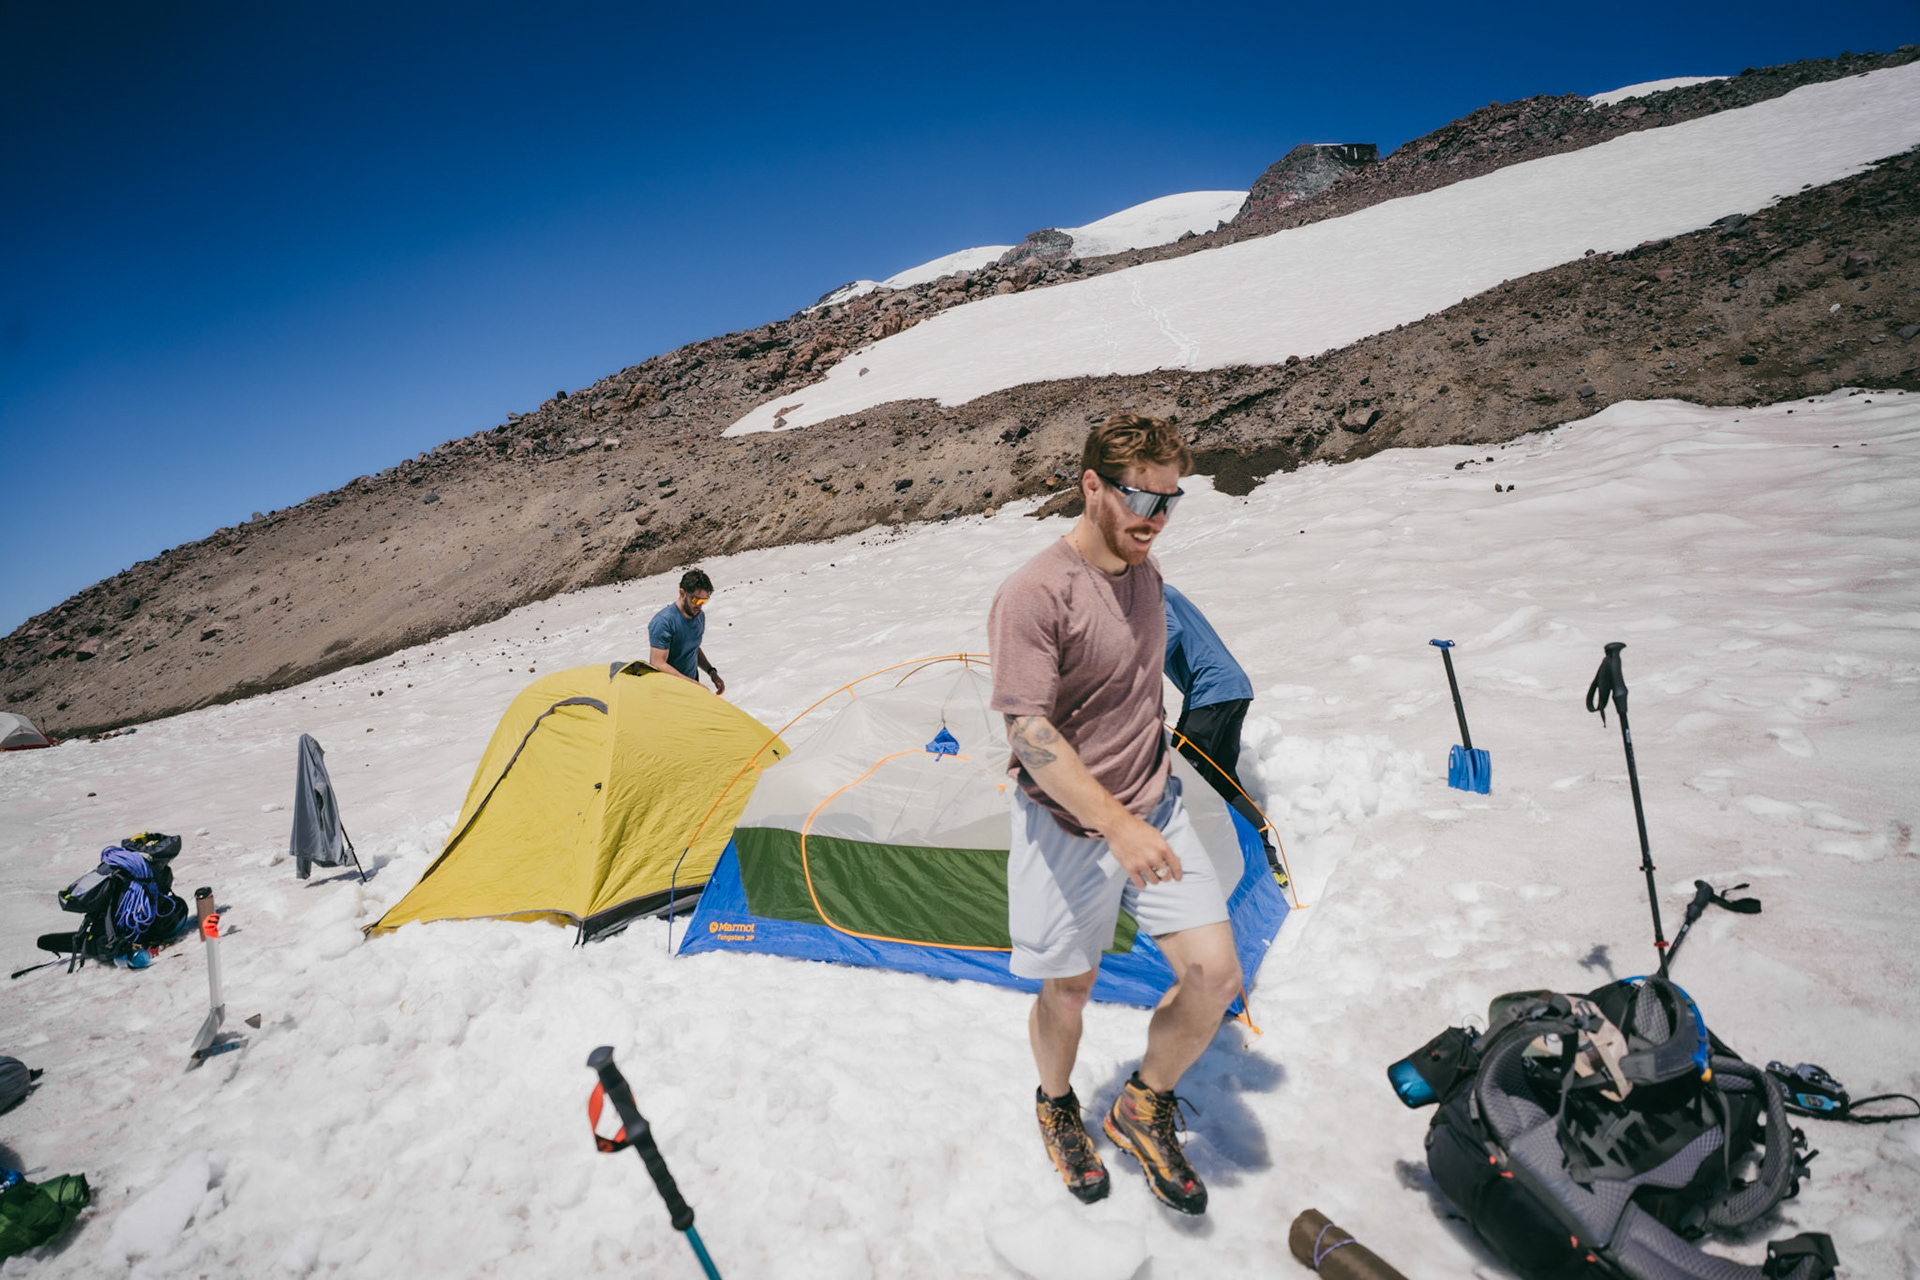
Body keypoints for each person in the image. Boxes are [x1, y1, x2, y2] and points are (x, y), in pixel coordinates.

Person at [987, 412, 1242, 1217]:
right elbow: (1029, 735)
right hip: (1063, 826)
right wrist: (1114, 823)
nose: (1155, 518)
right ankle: (1057, 1105)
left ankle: (1141, 1105)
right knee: (1068, 991)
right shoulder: (1035, 593)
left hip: (1154, 805)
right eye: (1141, 498)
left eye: (1171, 501)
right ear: (1092, 485)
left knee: (1214, 977)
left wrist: (1144, 808)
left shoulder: (1147, 573)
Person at [1164, 583, 1283, 879]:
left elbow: (1171, 630)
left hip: (1211, 691)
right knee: (1222, 779)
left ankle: (1192, 870)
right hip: (1231, 689)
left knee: (1183, 779)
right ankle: (1267, 861)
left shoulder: (1146, 590)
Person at [648, 569, 725, 694]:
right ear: (682, 593)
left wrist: (711, 672)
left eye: (704, 601)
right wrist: (692, 684)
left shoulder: (699, 617)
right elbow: (658, 663)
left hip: (690, 689)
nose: (699, 605)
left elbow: (693, 649)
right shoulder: (664, 621)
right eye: (696, 600)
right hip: (667, 692)